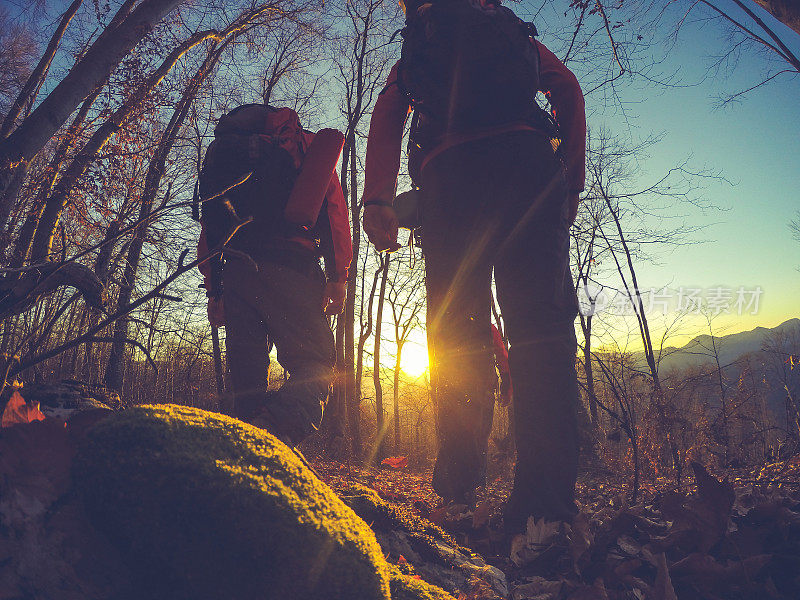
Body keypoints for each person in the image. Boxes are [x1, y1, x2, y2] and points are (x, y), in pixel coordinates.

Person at [362, 0, 586, 533]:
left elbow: (389, 112)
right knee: (542, 333)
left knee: (457, 335)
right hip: (529, 173)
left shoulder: (422, 38)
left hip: (449, 181)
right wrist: (570, 183)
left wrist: (377, 201)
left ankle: (460, 489)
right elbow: (569, 91)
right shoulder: (513, 35)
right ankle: (546, 504)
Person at [197, 104, 351, 446]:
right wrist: (338, 276)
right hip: (292, 268)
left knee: (247, 381)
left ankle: (241, 463)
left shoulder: (224, 157)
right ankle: (266, 439)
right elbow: (335, 214)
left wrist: (215, 291)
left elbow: (209, 228)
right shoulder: (306, 149)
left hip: (237, 271)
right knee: (316, 362)